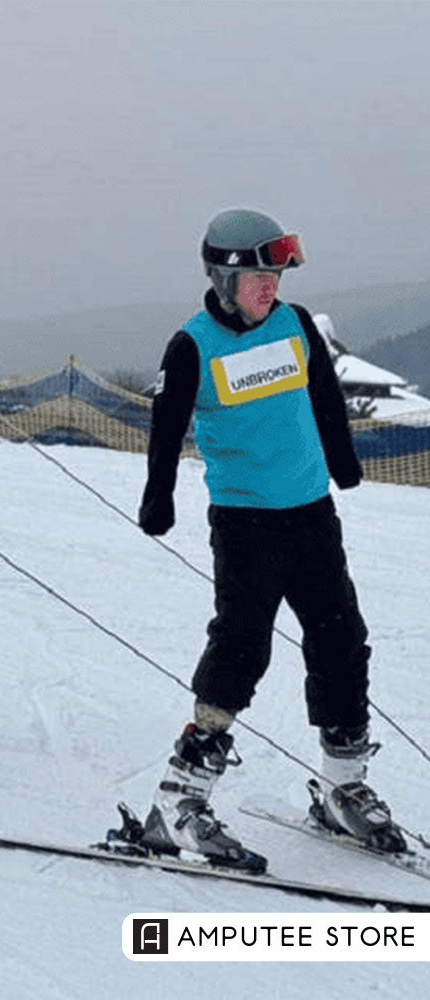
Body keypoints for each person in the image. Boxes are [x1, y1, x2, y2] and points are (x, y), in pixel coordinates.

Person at [132, 208, 405, 872]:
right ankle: (178, 801)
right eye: (259, 275)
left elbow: (323, 395)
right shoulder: (193, 345)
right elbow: (167, 426)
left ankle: (343, 788)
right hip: (246, 523)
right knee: (242, 648)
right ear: (226, 277)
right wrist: (158, 496)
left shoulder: (295, 323)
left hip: (313, 514)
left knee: (342, 639)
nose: (271, 286)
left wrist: (342, 461)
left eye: (277, 274)